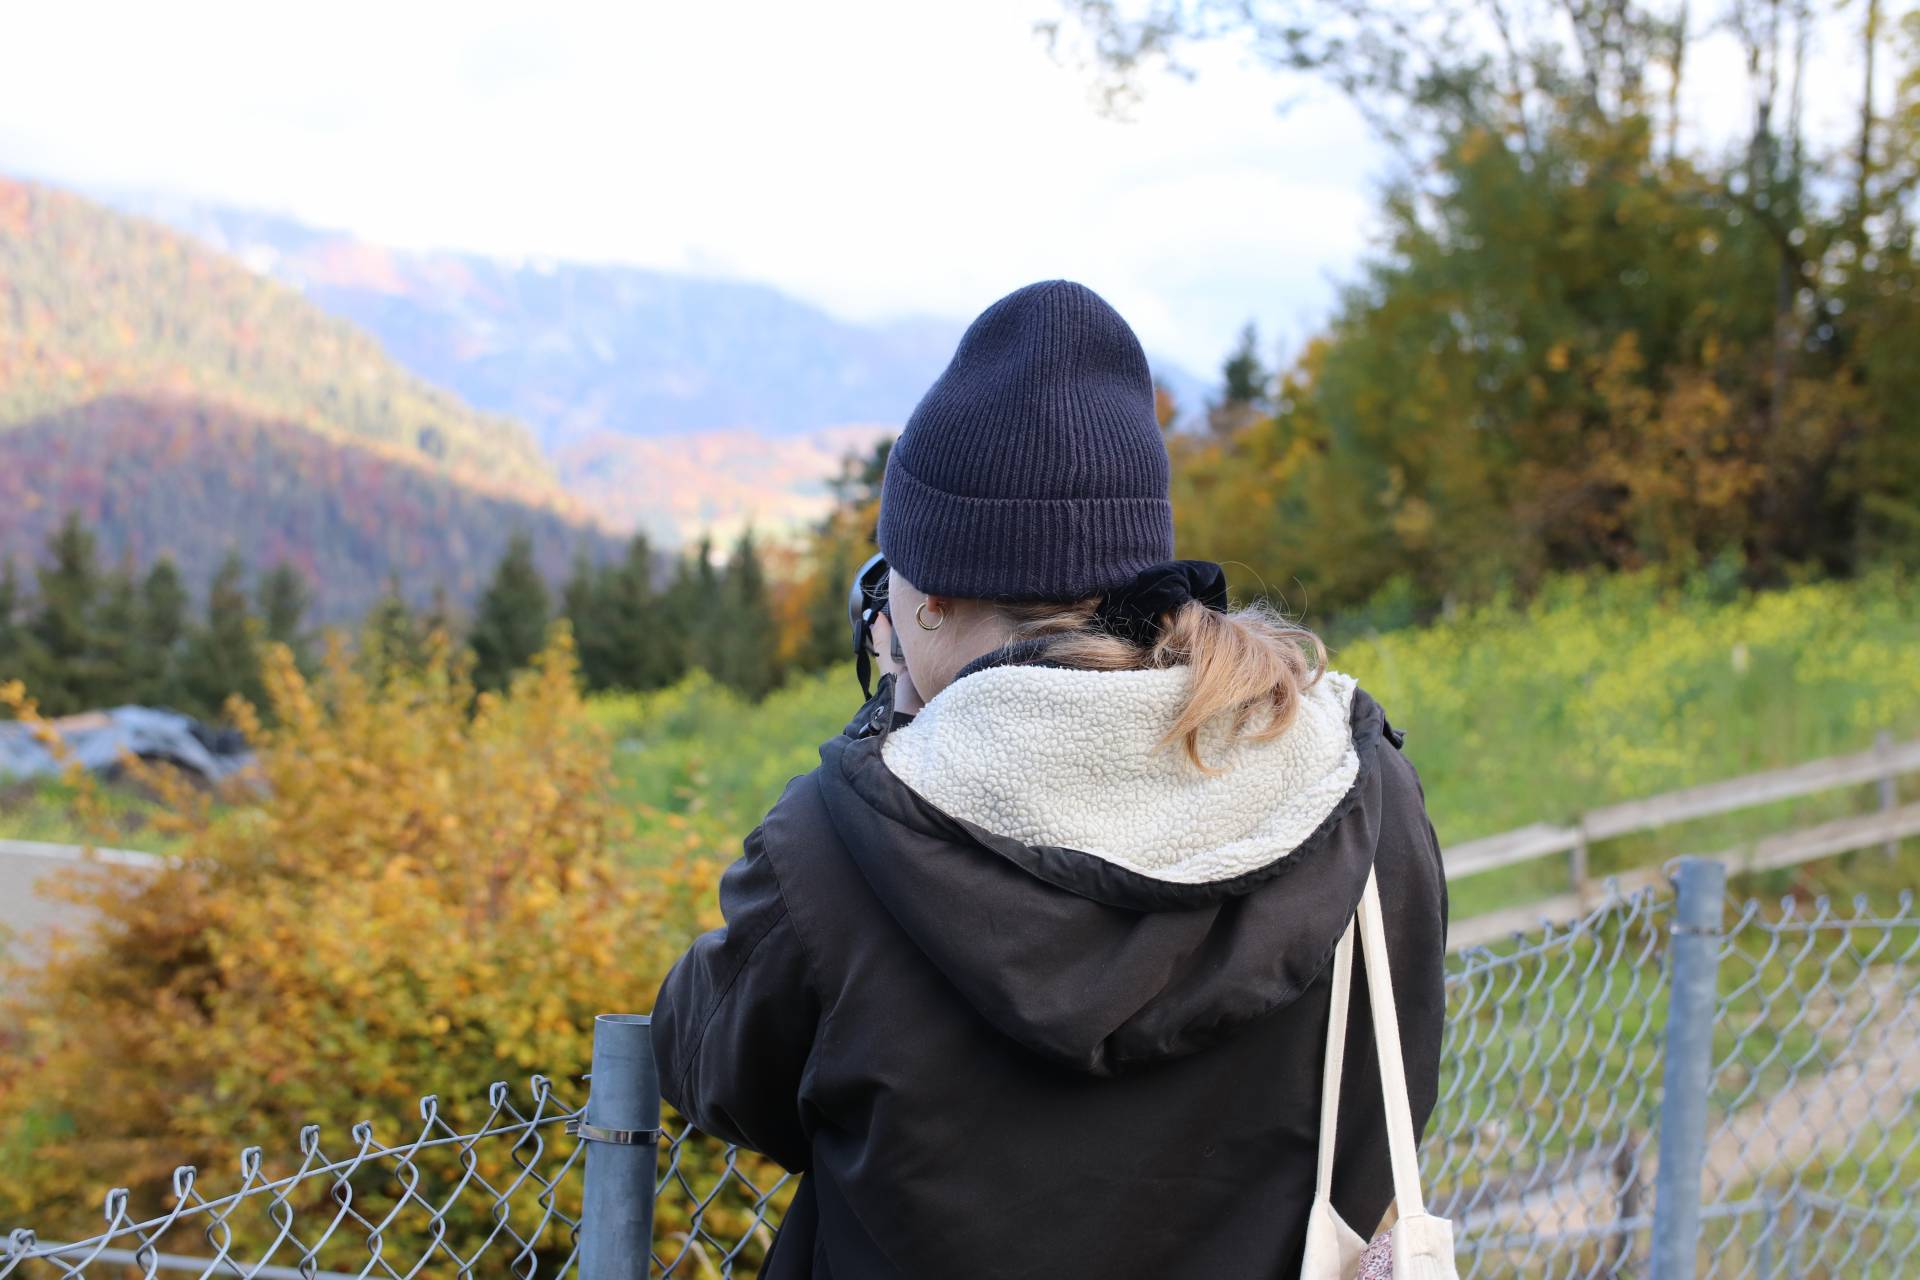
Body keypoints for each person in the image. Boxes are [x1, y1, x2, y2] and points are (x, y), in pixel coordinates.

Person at [653, 280, 1449, 1279]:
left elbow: (715, 1061)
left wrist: (892, 730)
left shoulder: (840, 844)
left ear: (929, 597)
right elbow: (1386, 1105)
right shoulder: (1354, 785)